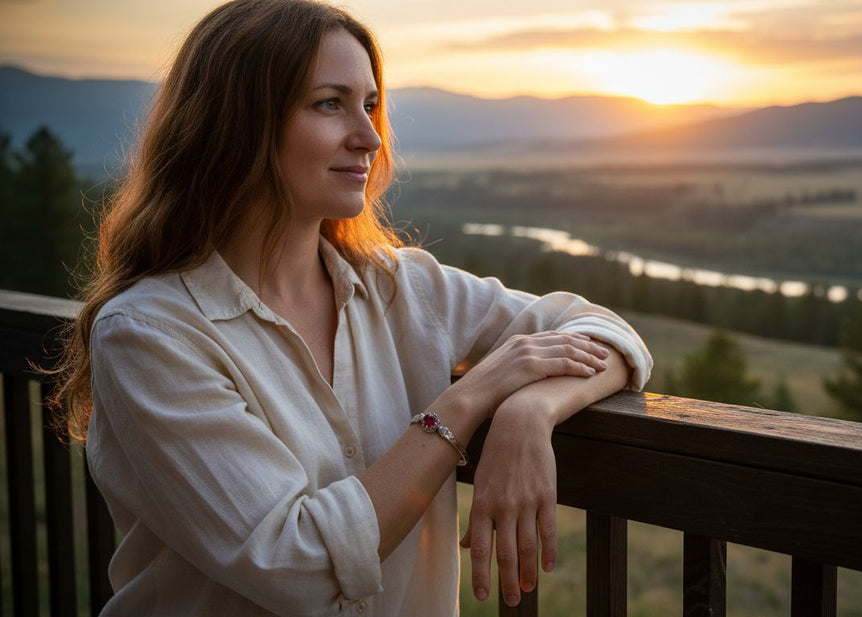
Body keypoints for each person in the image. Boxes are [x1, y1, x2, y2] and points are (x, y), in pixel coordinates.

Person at [49, 0, 652, 615]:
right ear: (236, 124)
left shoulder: (402, 287)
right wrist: (470, 399)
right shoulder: (150, 334)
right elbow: (297, 563)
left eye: (369, 105)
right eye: (329, 103)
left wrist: (529, 410)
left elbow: (606, 332)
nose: (369, 137)